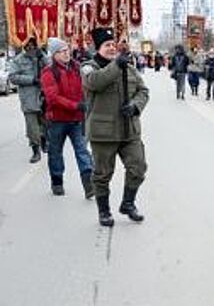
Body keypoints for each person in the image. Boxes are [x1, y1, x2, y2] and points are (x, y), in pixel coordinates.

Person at [81, 27, 149, 227]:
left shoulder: (128, 67)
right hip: (103, 133)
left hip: (129, 130)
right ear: (97, 47)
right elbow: (95, 83)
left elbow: (143, 90)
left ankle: (128, 204)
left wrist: (136, 106)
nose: (112, 48)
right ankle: (104, 211)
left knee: (138, 167)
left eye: (113, 45)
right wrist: (116, 66)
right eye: (107, 45)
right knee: (102, 174)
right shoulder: (88, 67)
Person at [40, 38, 94, 197]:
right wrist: (75, 105)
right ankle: (57, 181)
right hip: (57, 120)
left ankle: (88, 184)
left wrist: (85, 102)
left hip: (76, 119)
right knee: (55, 152)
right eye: (62, 51)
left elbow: (87, 86)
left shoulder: (77, 68)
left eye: (67, 50)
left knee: (82, 151)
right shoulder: (48, 72)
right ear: (54, 54)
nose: (66, 53)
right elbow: (53, 98)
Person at [9, 37, 49, 163]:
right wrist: (32, 79)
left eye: (33, 45)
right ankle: (35, 150)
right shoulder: (18, 60)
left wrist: (42, 56)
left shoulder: (41, 56)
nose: (31, 48)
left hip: (43, 96)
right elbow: (13, 77)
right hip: (28, 98)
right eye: (28, 45)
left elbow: (51, 68)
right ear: (24, 46)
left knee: (45, 123)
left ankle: (44, 140)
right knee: (32, 127)